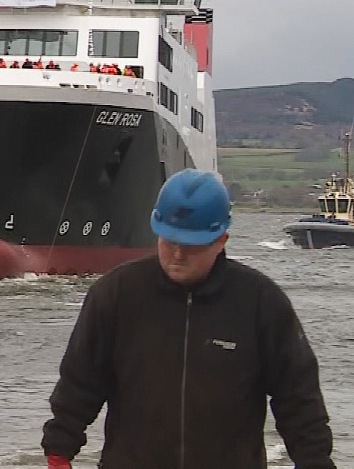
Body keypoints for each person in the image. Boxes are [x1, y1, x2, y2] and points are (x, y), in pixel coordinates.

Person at [41, 170, 334, 468]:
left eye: (191, 246)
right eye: (169, 242)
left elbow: (298, 400)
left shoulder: (261, 303)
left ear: (222, 239)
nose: (177, 255)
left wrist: (315, 461)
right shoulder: (115, 295)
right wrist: (58, 453)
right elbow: (79, 384)